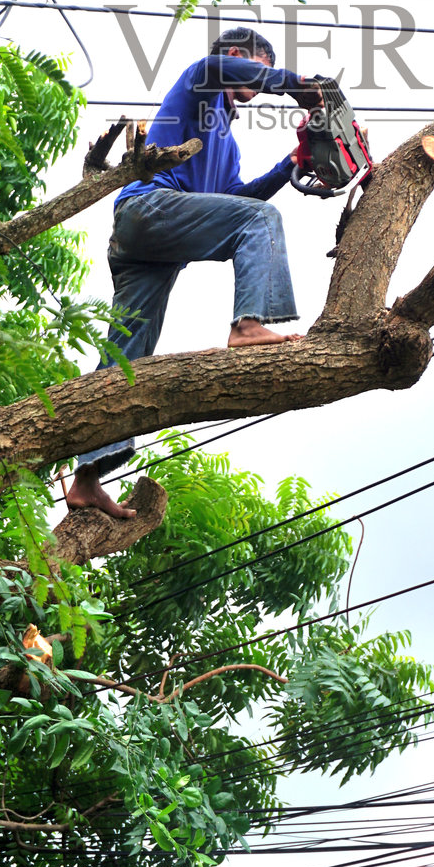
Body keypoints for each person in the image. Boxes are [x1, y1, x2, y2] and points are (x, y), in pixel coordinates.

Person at [65, 27, 322, 517]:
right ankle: (248, 327)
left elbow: (236, 204)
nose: (261, 81)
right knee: (262, 223)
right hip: (147, 209)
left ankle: (86, 477)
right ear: (234, 58)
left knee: (128, 355)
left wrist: (291, 164)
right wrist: (294, 82)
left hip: (151, 247)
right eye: (260, 68)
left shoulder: (227, 141)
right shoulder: (200, 85)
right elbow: (215, 71)